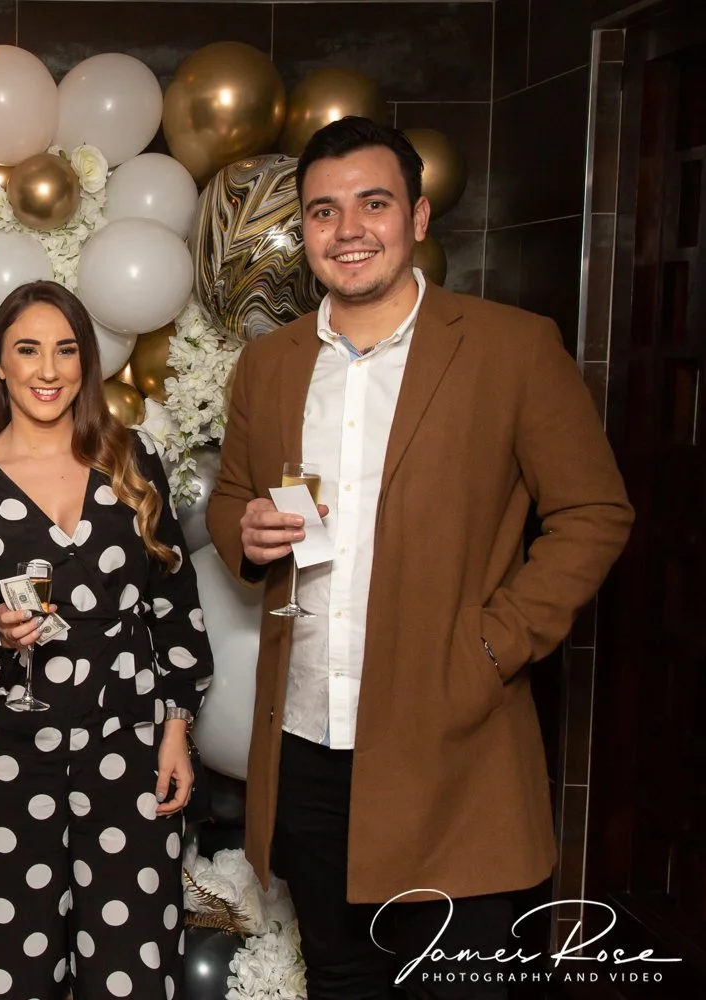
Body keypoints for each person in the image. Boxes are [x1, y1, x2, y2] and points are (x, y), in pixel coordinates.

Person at [205, 116, 633, 999]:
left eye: (373, 203)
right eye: (324, 211)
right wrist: (242, 535)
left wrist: (493, 647)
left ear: (420, 217)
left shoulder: (513, 348)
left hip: (456, 748)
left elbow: (593, 511)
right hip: (309, 749)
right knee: (343, 981)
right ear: (304, 232)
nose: (348, 229)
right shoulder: (270, 365)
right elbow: (229, 500)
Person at [0, 280, 212, 999]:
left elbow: (175, 609)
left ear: (86, 363)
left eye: (65, 350)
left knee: (132, 968)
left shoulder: (130, 460)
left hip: (128, 749)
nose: (48, 370)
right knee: (8, 971)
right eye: (27, 350)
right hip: (11, 759)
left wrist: (174, 731)